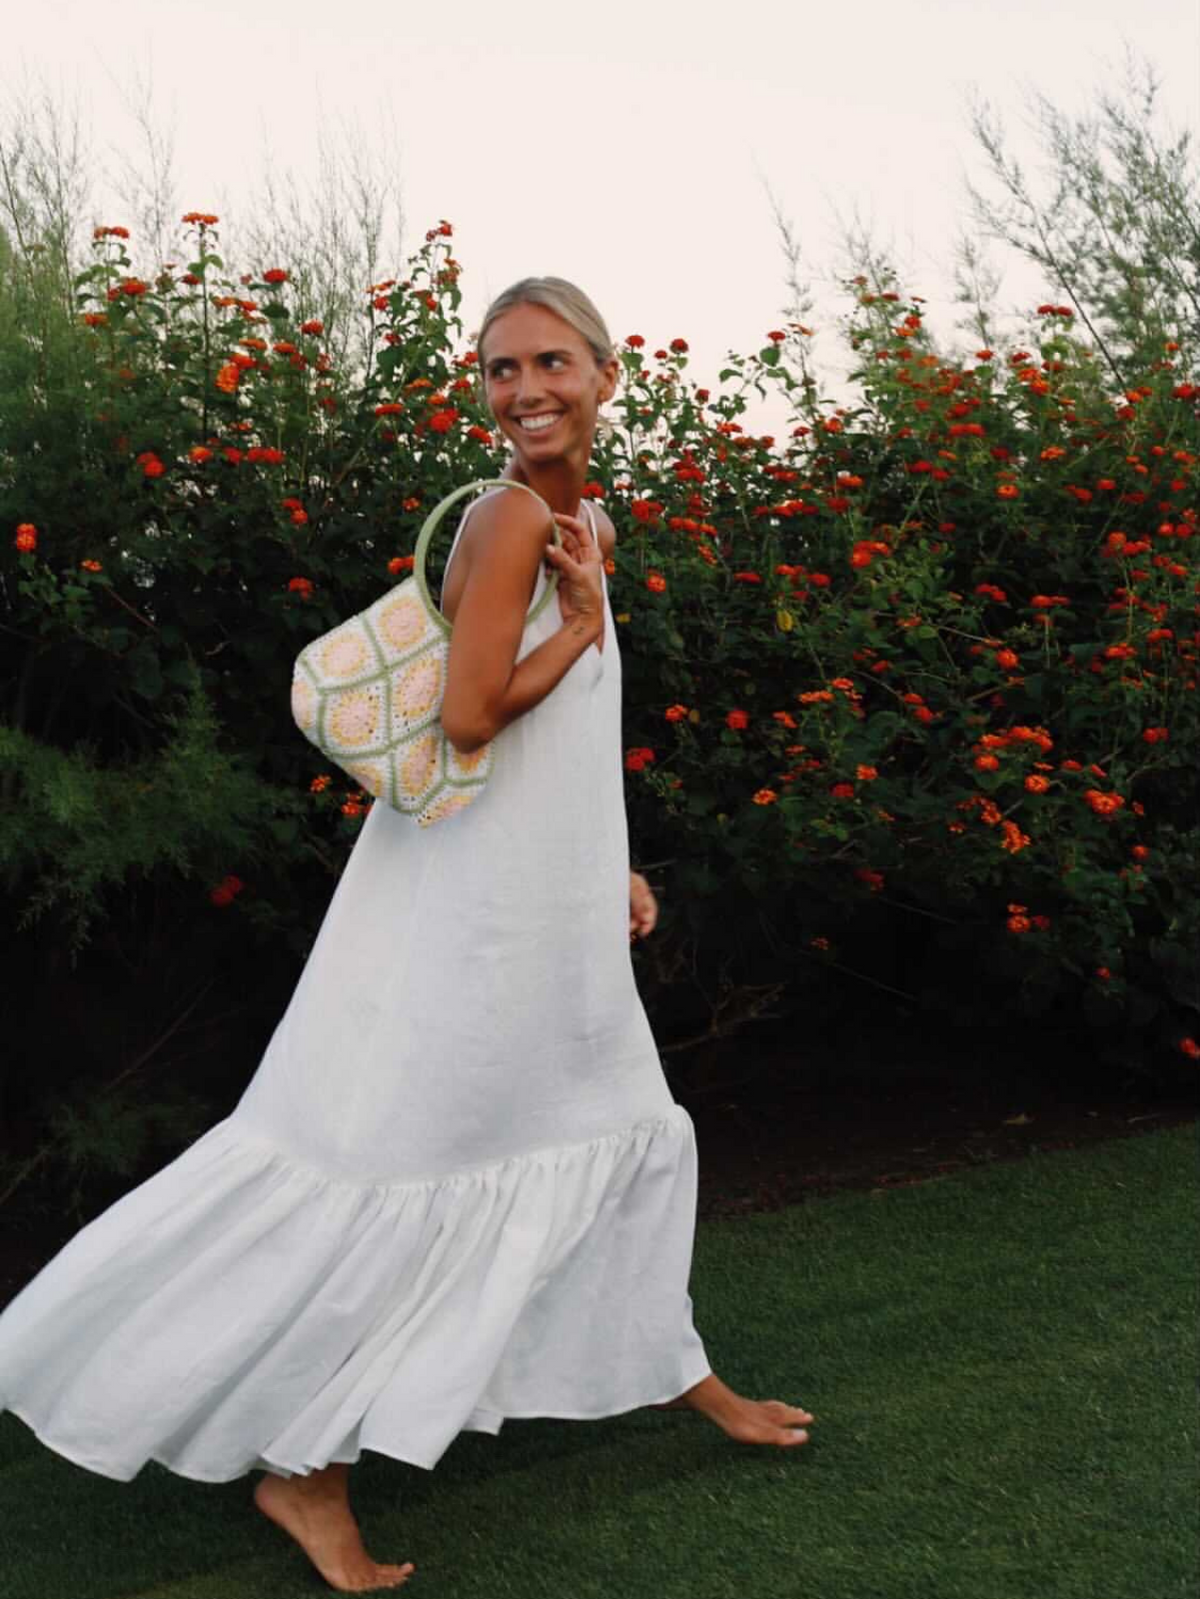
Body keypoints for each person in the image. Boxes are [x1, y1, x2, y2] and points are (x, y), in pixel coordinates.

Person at [0, 277, 814, 1593]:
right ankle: (303, 1475)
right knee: (406, 1157)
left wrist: (609, 865)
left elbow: (566, 742)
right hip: (465, 915)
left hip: (535, 899)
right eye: (499, 369)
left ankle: (680, 1374)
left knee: (599, 1130)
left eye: (551, 361)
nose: (525, 387)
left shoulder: (579, 514)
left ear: (609, 375)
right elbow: (480, 714)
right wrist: (589, 625)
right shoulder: (508, 517)